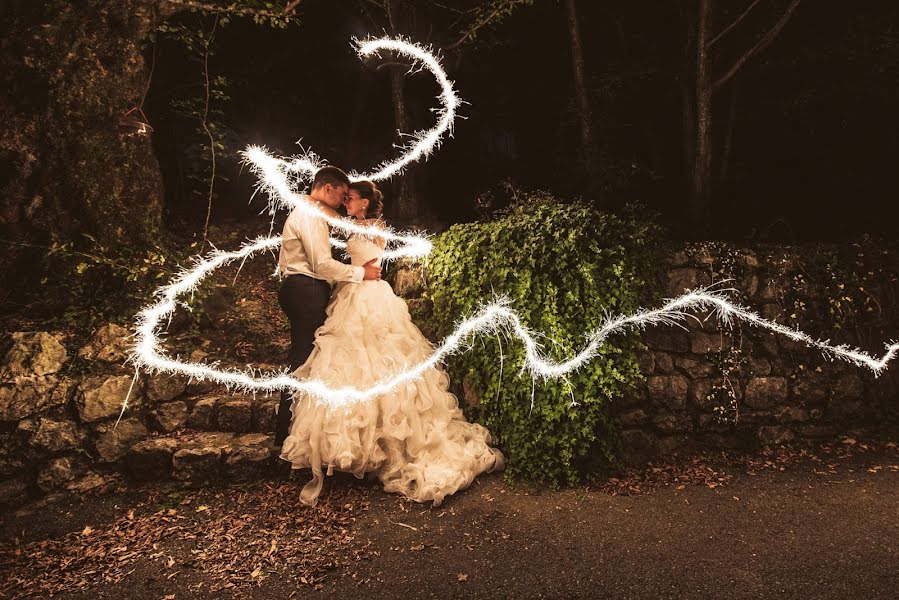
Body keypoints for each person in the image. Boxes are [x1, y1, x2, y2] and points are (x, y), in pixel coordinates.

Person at [280, 180, 504, 507]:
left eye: (351, 199)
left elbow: (373, 258)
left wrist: (359, 266)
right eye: (344, 198)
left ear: (365, 204)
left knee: (379, 358)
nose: (345, 203)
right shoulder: (347, 225)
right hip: (350, 291)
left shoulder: (372, 226)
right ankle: (347, 449)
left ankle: (383, 448)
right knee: (346, 361)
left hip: (369, 293)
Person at [274, 166, 381, 448]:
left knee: (308, 357)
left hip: (304, 288)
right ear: (328, 188)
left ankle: (293, 428)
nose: (343, 202)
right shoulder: (310, 214)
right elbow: (321, 264)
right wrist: (360, 274)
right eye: (342, 194)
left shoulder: (311, 211)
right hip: (305, 289)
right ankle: (287, 431)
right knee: (304, 359)